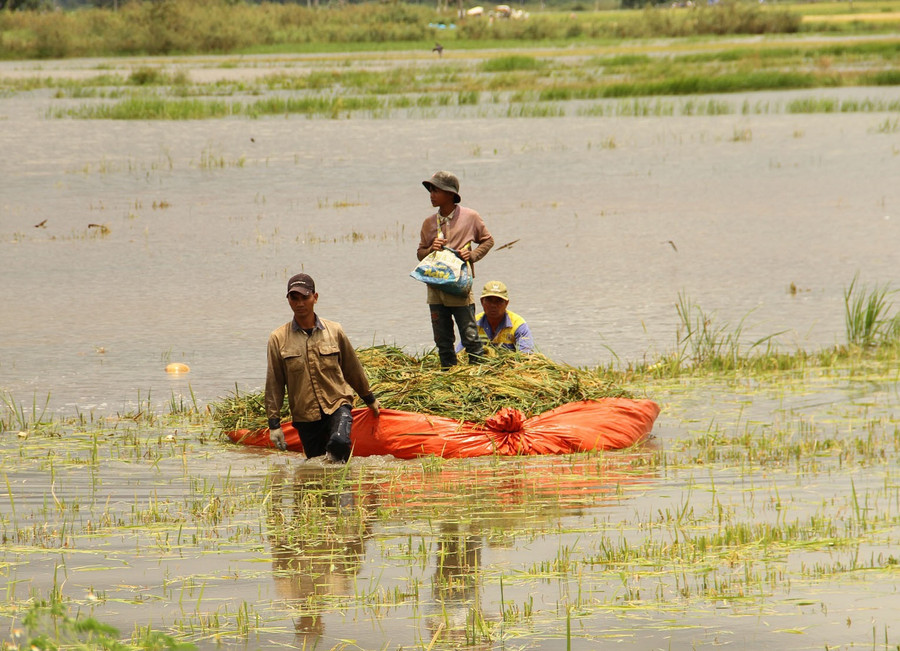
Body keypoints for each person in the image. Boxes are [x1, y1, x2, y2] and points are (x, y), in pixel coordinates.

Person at [265, 273, 380, 462]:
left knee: (340, 442)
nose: (300, 303)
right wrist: (274, 424)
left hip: (337, 404)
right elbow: (274, 384)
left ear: (315, 298)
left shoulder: (334, 331)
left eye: (305, 297)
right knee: (316, 466)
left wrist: (369, 399)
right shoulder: (278, 338)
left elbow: (352, 368)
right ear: (288, 300)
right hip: (305, 416)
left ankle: (345, 486)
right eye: (295, 298)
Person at [417, 171, 495, 369]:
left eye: (436, 190)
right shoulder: (428, 223)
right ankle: (449, 373)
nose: (431, 195)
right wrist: (431, 248)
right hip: (436, 288)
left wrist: (473, 255)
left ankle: (478, 372)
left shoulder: (470, 217)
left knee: (469, 335)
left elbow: (488, 240)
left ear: (450, 194)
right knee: (442, 338)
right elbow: (420, 253)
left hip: (460, 286)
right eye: (431, 190)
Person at [462, 280, 535, 354]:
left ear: (506, 303)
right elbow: (460, 353)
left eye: (499, 301)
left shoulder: (518, 325)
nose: (493, 305)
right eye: (489, 300)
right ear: (482, 302)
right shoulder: (473, 324)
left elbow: (526, 355)